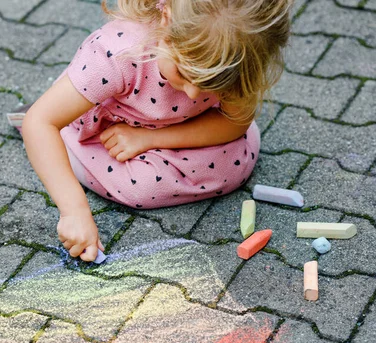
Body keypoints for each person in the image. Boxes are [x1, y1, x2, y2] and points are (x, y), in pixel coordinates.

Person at [20, 0, 292, 262]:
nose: (193, 92)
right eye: (185, 74)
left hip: (165, 128)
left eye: (211, 84)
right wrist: (74, 212)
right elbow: (39, 121)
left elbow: (235, 123)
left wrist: (149, 139)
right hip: (102, 130)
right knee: (140, 186)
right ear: (167, 20)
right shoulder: (118, 53)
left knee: (235, 162)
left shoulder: (236, 57)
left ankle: (92, 151)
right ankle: (64, 148)